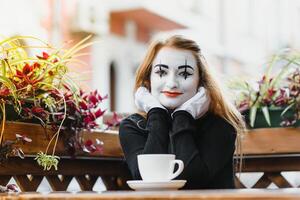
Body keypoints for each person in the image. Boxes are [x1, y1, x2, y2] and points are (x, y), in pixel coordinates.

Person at [119, 35, 245, 189]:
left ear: (200, 82)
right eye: (161, 73)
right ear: (148, 80)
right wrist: (157, 113)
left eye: (185, 74)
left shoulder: (221, 126)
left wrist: (183, 116)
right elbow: (150, 179)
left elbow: (192, 180)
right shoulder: (132, 126)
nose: (172, 83)